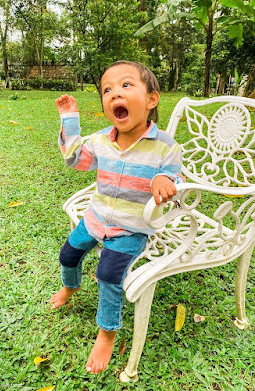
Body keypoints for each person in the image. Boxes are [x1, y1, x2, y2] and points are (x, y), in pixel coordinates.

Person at [51, 60, 184, 374]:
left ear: (151, 99)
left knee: (109, 275)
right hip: (96, 217)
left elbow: (175, 182)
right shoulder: (100, 140)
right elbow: (75, 160)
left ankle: (107, 332)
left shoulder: (165, 147)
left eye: (126, 85)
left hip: (130, 228)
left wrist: (165, 182)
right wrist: (69, 120)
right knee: (68, 254)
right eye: (107, 90)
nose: (114, 94)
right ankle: (70, 287)